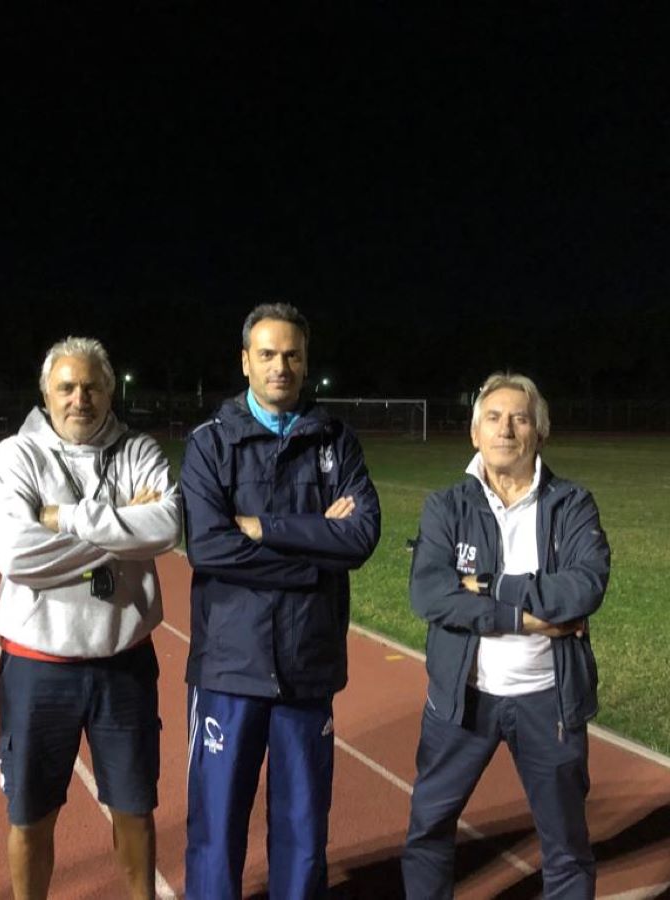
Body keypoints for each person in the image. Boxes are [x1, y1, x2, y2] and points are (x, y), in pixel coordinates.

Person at [181, 302, 381, 899]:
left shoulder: (337, 441)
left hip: (307, 665)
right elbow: (209, 547)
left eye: (292, 355)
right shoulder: (209, 444)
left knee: (302, 828)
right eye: (267, 354)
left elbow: (360, 537)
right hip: (229, 666)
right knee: (217, 827)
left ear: (306, 361)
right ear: (245, 361)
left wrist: (264, 528)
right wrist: (316, 552)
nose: (280, 366)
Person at [0, 336, 181, 900]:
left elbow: (167, 527)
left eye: (91, 387)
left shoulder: (138, 450)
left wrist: (63, 519)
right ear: (46, 393)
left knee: (135, 810)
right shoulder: (17, 456)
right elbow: (18, 555)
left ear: (110, 391)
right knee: (30, 815)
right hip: (38, 667)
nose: (80, 398)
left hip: (124, 665)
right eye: (66, 387)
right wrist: (122, 527)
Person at [402, 372, 610, 900]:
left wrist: (490, 585)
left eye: (520, 418)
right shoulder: (446, 506)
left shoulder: (572, 504)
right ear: (475, 433)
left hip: (548, 700)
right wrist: (524, 619)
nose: (506, 429)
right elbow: (431, 595)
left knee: (566, 847)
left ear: (540, 432)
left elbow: (584, 587)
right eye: (493, 418)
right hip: (462, 700)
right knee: (429, 829)